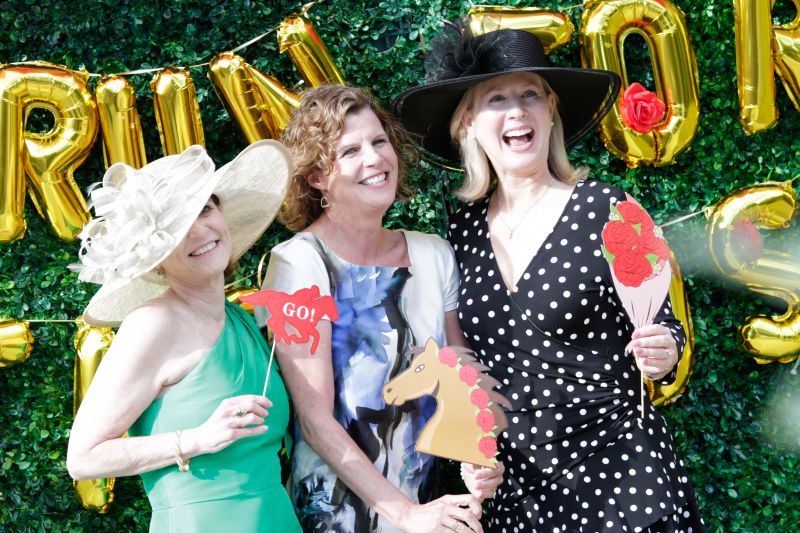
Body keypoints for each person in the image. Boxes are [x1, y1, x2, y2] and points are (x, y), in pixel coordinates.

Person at [394, 24, 705, 532]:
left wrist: (664, 351)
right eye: (497, 99)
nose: (516, 112)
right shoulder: (463, 230)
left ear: (550, 109)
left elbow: (666, 329)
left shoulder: (609, 208)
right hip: (523, 493)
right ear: (468, 122)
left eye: (529, 96)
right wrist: (475, 448)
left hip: (621, 478)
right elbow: (468, 364)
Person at [256, 84, 501, 533]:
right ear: (316, 176)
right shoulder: (297, 265)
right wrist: (404, 514)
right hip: (335, 517)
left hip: (430, 512)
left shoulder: (434, 255)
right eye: (350, 150)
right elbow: (314, 421)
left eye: (379, 141)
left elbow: (459, 379)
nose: (374, 159)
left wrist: (478, 455)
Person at [66, 141, 301, 532]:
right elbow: (84, 458)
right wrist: (197, 439)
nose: (199, 230)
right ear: (154, 256)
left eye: (205, 209)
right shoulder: (153, 324)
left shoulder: (240, 321)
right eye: (176, 228)